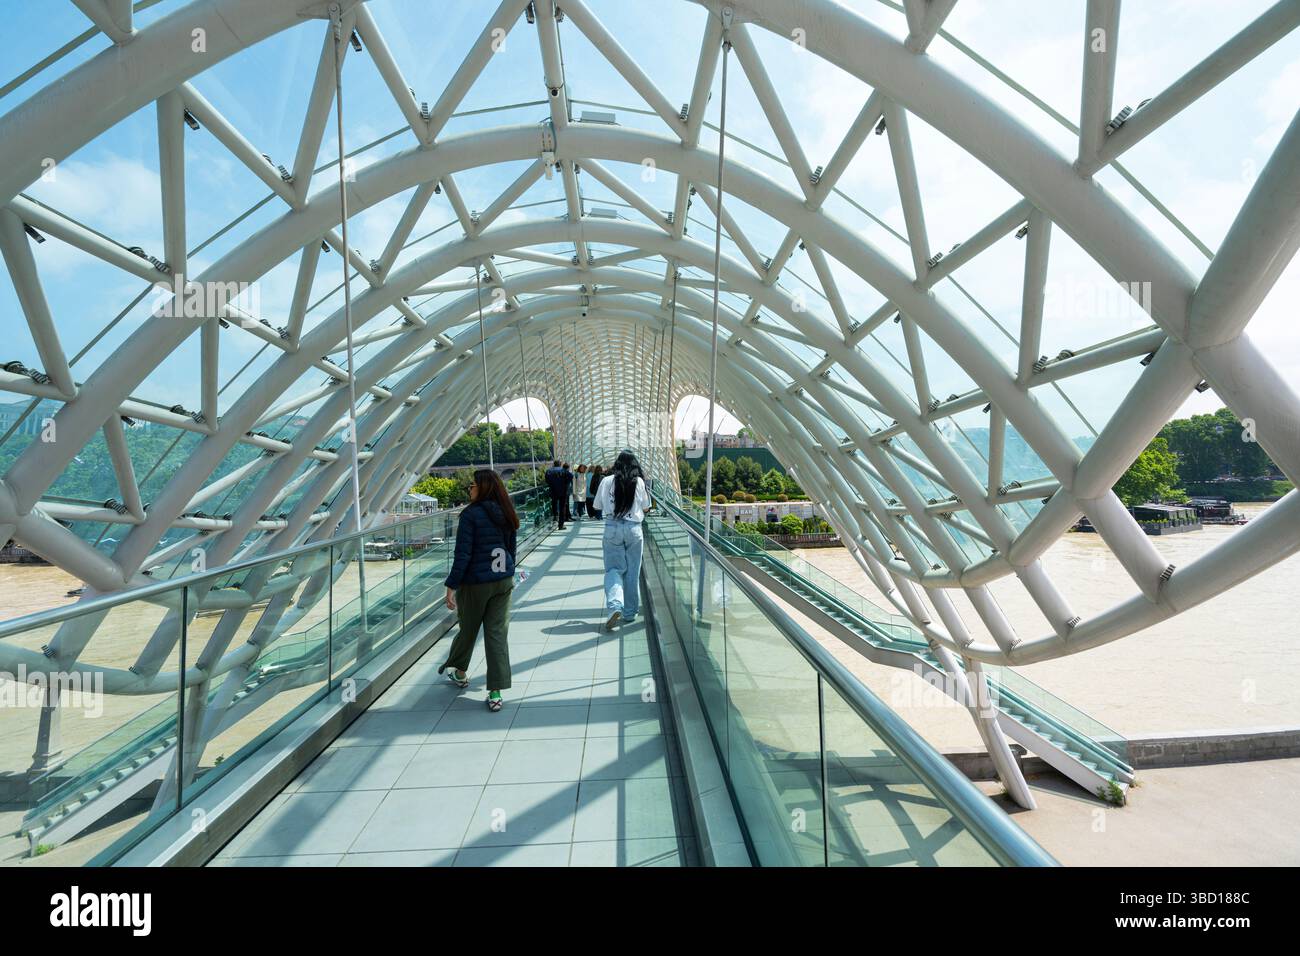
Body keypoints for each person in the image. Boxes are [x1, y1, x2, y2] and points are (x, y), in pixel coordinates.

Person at [437, 469, 519, 712]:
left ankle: (460, 672)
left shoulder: (470, 515)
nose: (469, 490)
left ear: (482, 488)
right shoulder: (506, 511)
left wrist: (451, 586)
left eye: (471, 486)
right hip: (503, 581)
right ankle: (495, 691)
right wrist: (507, 572)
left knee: (468, 629)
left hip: (476, 583)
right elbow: (511, 549)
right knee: (496, 635)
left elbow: (463, 554)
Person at [593, 450, 651, 630]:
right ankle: (629, 613)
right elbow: (646, 507)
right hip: (634, 529)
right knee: (633, 572)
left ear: (616, 464)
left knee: (613, 570)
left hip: (612, 528)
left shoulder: (606, 481)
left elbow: (597, 506)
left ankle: (614, 606)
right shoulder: (639, 482)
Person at [545, 459, 566, 528]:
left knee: (554, 504)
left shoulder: (549, 471)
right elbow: (570, 476)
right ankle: (561, 525)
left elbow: (546, 480)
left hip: (553, 490)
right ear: (560, 464)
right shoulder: (563, 470)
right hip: (562, 491)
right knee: (562, 507)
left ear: (554, 464)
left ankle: (555, 517)